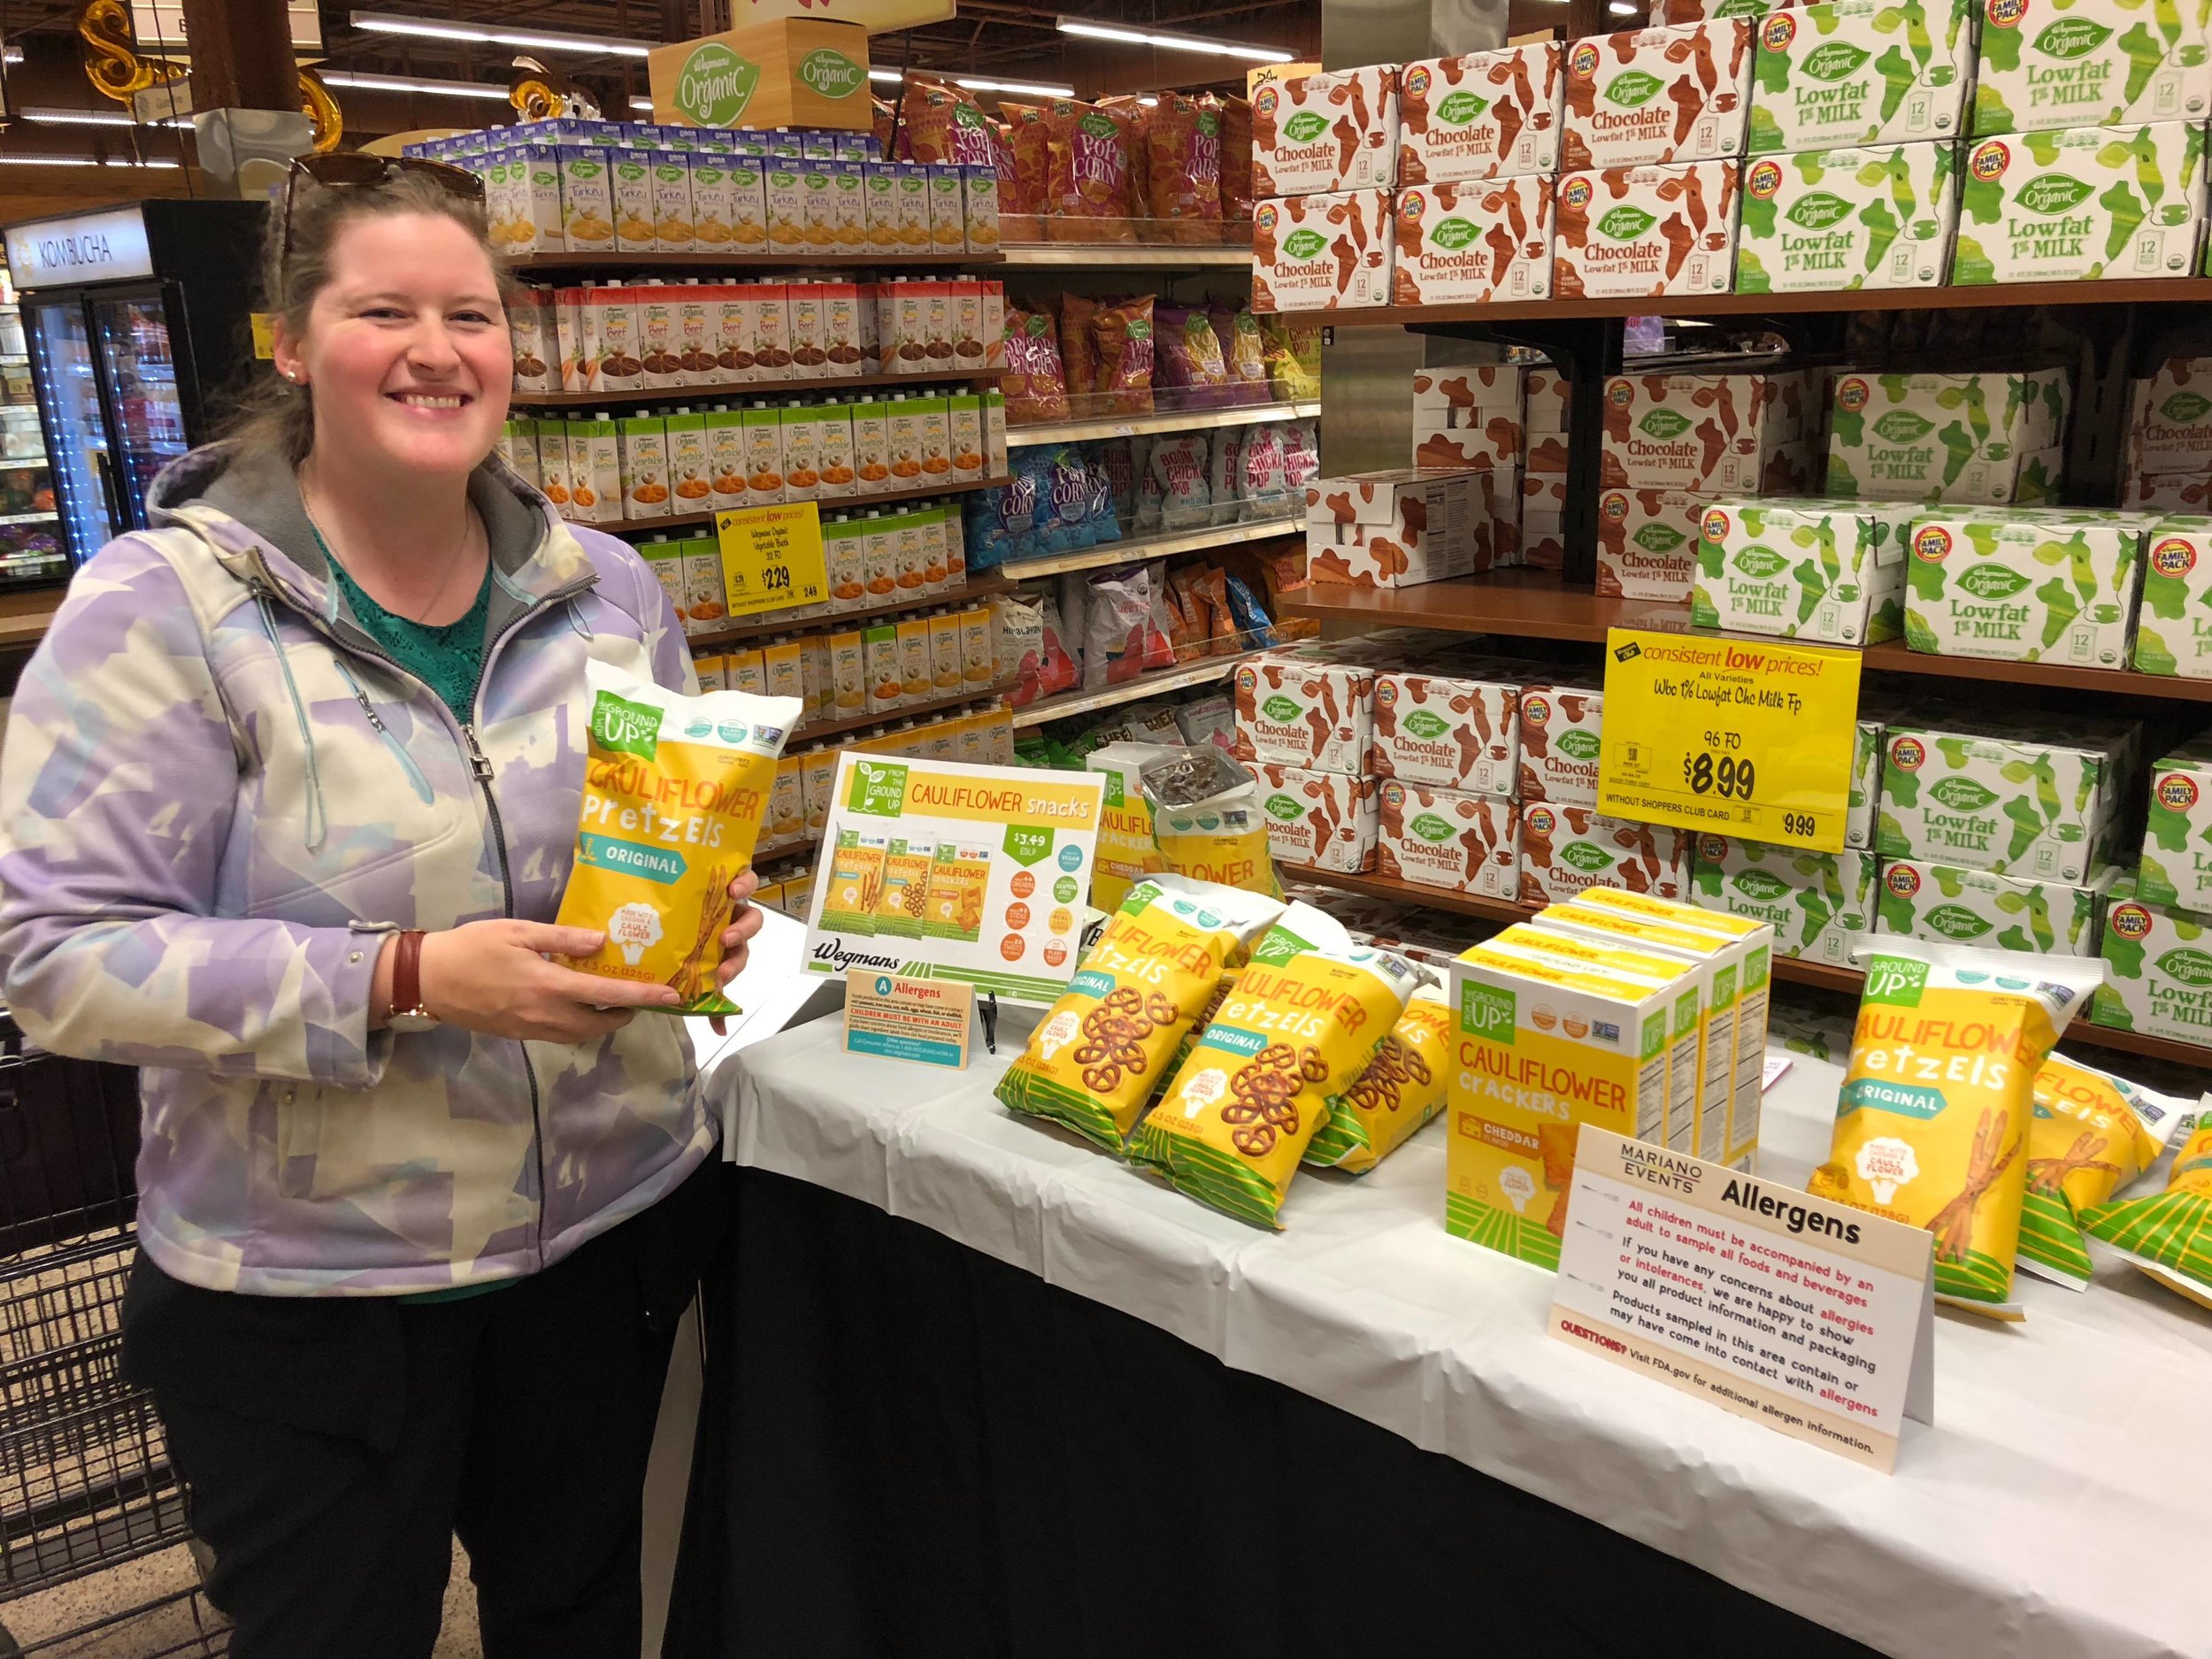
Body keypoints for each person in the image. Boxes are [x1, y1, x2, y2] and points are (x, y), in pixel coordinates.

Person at [0, 157, 759, 1657]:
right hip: (310, 1298)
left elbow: (658, 853)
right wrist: (402, 978)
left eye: (471, 313)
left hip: (604, 1247)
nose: (437, 349)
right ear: (290, 342)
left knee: (591, 1618)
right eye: (383, 309)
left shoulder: (605, 590)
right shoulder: (166, 612)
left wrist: (704, 927)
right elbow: (56, 961)